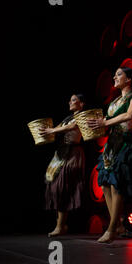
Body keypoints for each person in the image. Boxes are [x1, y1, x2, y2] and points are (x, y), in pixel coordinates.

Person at [87, 66, 132, 244]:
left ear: (129, 79)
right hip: (111, 144)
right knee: (104, 184)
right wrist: (99, 126)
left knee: (116, 185)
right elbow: (108, 124)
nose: (114, 76)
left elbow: (128, 116)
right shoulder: (113, 102)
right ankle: (117, 224)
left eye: (119, 74)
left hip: (125, 144)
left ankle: (111, 228)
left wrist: (105, 122)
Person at [40, 94, 86, 237]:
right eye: (70, 100)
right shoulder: (68, 117)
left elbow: (72, 127)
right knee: (54, 186)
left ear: (82, 104)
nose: (70, 102)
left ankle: (60, 226)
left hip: (73, 153)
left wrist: (52, 130)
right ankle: (61, 224)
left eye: (73, 100)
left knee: (62, 187)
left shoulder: (82, 116)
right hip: (62, 152)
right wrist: (47, 131)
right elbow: (58, 128)